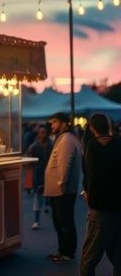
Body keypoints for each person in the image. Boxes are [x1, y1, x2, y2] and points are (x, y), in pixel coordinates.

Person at [80, 113, 121, 276]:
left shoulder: (92, 147)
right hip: (118, 206)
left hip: (100, 208)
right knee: (117, 253)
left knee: (89, 257)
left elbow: (90, 178)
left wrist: (88, 195)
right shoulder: (118, 144)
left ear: (92, 128)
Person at [44, 112, 82, 262]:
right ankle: (63, 250)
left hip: (62, 191)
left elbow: (64, 166)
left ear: (64, 123)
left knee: (64, 222)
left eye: (54, 122)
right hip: (60, 190)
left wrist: (60, 185)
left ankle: (67, 252)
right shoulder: (65, 138)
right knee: (61, 221)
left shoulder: (66, 140)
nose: (51, 125)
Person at [26, 125, 53, 229]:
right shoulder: (34, 146)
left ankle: (47, 204)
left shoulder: (52, 145)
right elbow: (28, 161)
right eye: (41, 132)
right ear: (38, 134)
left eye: (44, 132)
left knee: (49, 194)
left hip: (50, 174)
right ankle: (36, 221)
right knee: (37, 198)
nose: (43, 135)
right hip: (38, 175)